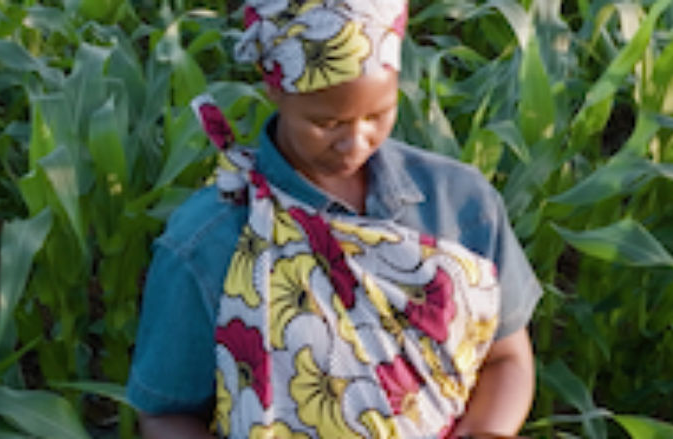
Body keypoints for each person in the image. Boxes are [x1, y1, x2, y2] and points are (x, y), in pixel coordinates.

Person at [127, 0, 542, 437]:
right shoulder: (209, 243)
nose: (355, 142)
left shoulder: (459, 205)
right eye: (326, 122)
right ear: (275, 89)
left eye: (377, 114)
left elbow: (507, 357)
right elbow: (164, 414)